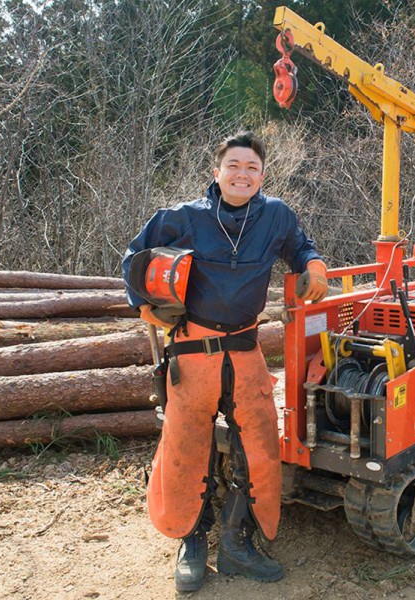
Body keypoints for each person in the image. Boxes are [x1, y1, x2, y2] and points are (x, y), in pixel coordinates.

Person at [122, 132, 328, 592]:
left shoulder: (276, 216)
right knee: (186, 448)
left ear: (262, 175)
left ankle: (237, 543)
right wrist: (143, 304)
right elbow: (133, 260)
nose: (242, 174)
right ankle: (191, 542)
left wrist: (314, 265)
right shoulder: (181, 217)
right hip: (192, 352)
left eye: (251, 167)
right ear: (216, 173)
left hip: (245, 351)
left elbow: (300, 246)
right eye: (233, 166)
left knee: (256, 450)